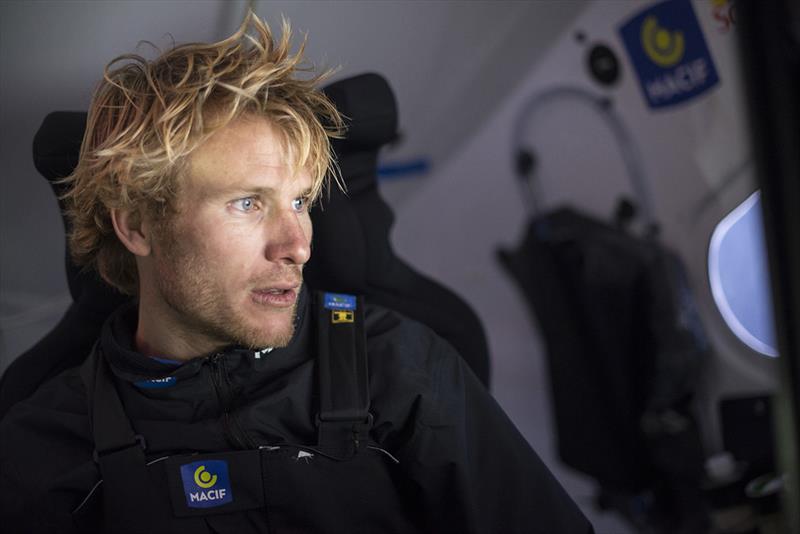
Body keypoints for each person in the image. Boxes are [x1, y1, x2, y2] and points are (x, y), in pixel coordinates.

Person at [0, 12, 593, 534]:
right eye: (247, 203)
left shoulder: (398, 371)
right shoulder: (44, 449)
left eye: (301, 201)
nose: (298, 246)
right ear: (136, 227)